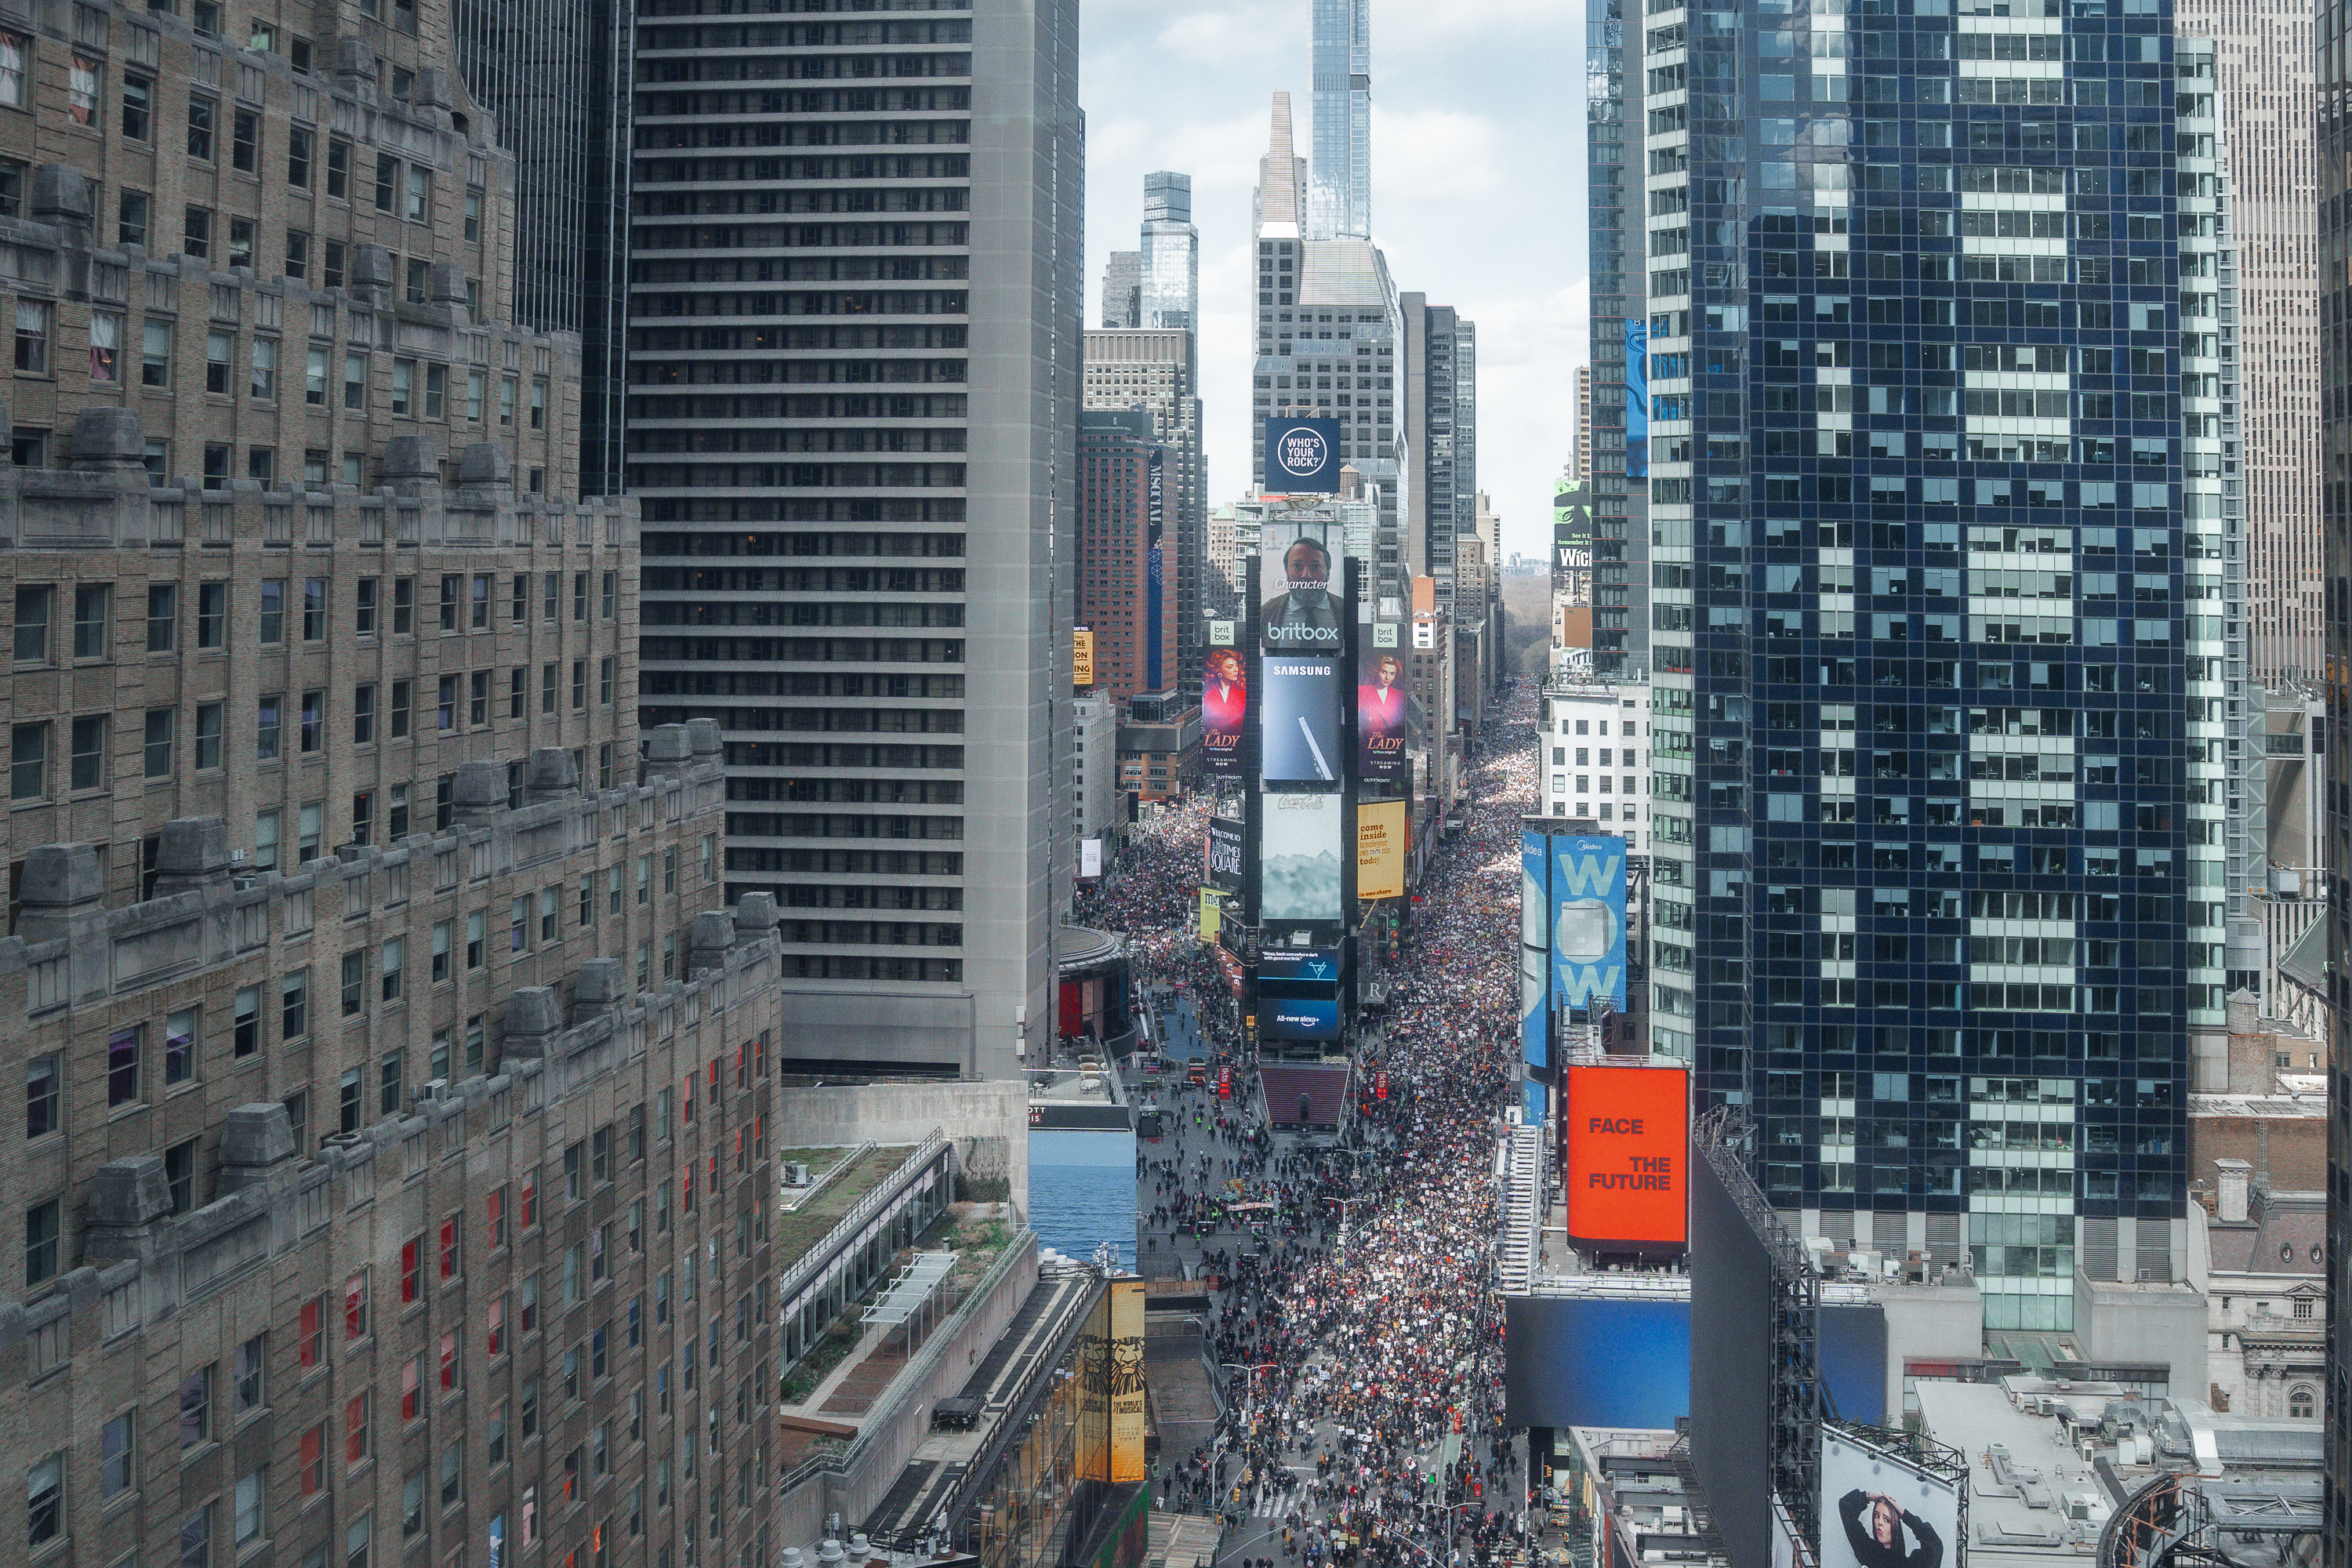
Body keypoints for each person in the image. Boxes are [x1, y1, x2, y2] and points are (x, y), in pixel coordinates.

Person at [1262, 535, 1343, 653]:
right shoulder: (1267, 612)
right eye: (1297, 566)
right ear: (1287, 572)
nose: (1306, 575)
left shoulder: (1344, 611)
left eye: (1315, 566)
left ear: (1328, 573)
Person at [1835, 1489, 1943, 1568]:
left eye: (1886, 1519)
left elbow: (1935, 1545)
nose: (1879, 1522)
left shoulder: (1907, 1565)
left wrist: (1904, 1515)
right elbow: (1845, 1505)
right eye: (1877, 1516)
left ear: (1895, 1525)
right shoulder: (1868, 1552)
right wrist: (1869, 1497)